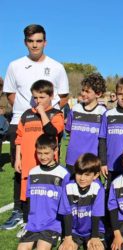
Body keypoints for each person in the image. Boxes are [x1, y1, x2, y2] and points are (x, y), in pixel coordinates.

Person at [2, 24, 69, 230]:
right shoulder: (14, 65)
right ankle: (18, 211)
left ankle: (48, 210)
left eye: (39, 41)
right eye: (31, 41)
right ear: (25, 42)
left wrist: (46, 114)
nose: (35, 45)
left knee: (48, 166)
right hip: (21, 123)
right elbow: (11, 95)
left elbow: (64, 97)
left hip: (46, 125)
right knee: (19, 167)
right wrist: (26, 112)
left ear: (45, 42)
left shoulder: (56, 66)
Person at [15, 80, 64, 235]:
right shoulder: (26, 115)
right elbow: (19, 138)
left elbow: (51, 132)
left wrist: (42, 112)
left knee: (47, 193)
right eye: (35, 98)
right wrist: (18, 158)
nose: (38, 101)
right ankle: (28, 223)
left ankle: (52, 225)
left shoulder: (57, 114)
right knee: (28, 193)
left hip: (47, 164)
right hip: (28, 162)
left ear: (51, 96)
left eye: (42, 97)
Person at [17, 135, 70, 250]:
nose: (43, 157)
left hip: (52, 224)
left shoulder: (63, 174)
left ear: (55, 151)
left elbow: (66, 205)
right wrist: (28, 221)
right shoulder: (33, 172)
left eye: (46, 153)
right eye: (39, 153)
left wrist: (67, 233)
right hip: (33, 223)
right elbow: (29, 199)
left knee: (41, 248)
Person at [58, 153, 106, 250]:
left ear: (95, 175)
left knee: (95, 248)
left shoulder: (98, 188)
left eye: (87, 175)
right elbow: (66, 214)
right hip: (74, 231)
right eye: (79, 173)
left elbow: (96, 214)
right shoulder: (68, 187)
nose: (82, 178)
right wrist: (67, 237)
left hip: (94, 230)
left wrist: (95, 237)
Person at [65, 73, 107, 174]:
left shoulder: (103, 112)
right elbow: (69, 131)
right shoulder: (75, 109)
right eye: (83, 90)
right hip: (72, 159)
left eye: (87, 91)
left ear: (98, 94)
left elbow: (104, 140)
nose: (83, 94)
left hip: (91, 161)